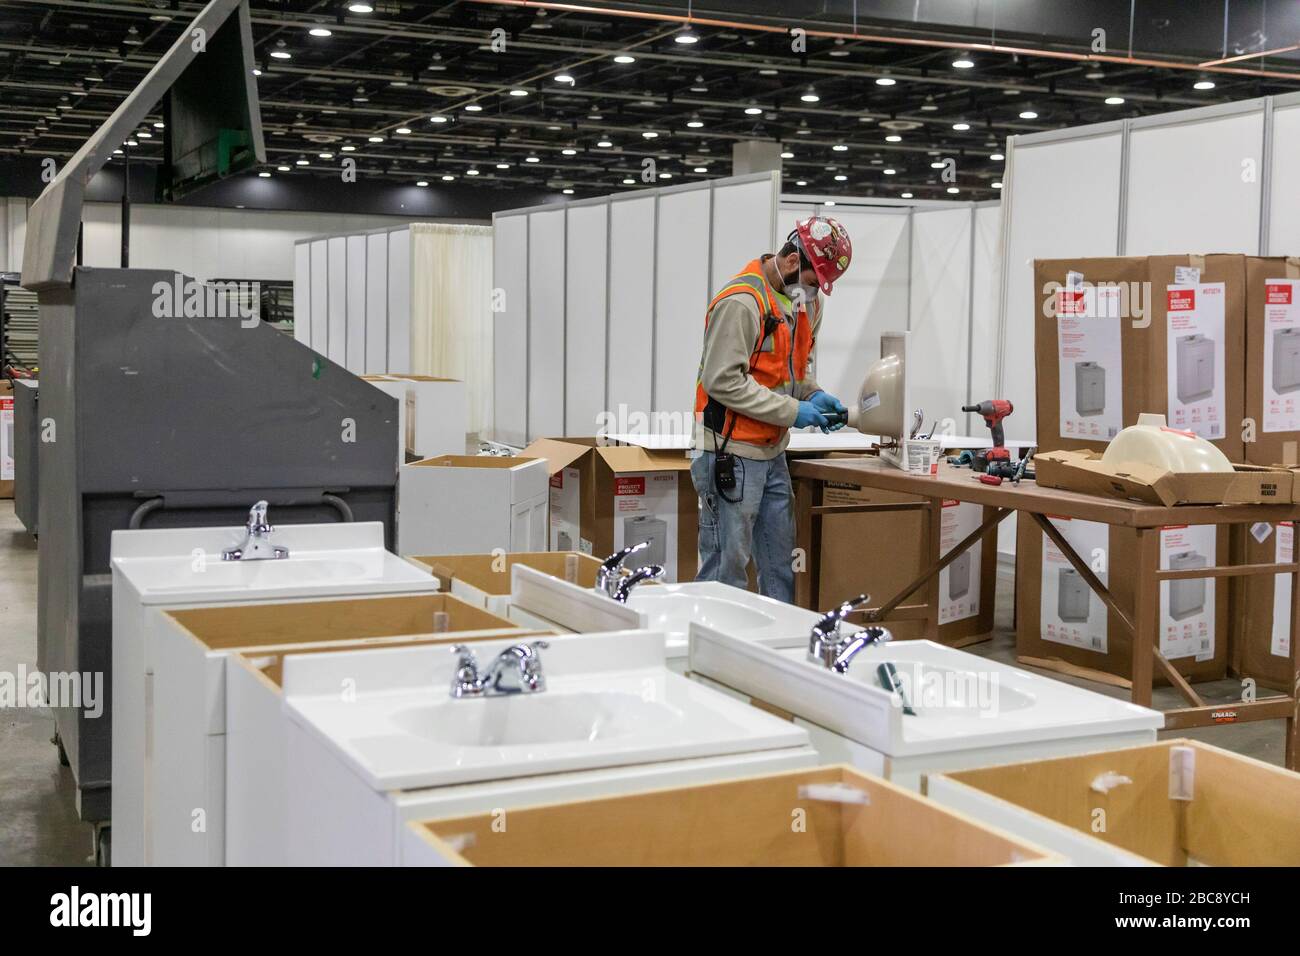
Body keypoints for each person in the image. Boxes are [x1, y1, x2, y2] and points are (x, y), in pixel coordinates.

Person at [690, 216, 854, 603]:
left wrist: (812, 394)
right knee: (725, 569)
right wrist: (792, 411)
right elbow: (722, 381)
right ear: (794, 262)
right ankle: (715, 653)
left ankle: (774, 653)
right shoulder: (742, 302)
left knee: (780, 564)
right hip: (731, 452)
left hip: (772, 450)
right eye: (814, 284)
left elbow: (794, 372)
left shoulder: (805, 306)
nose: (815, 295)